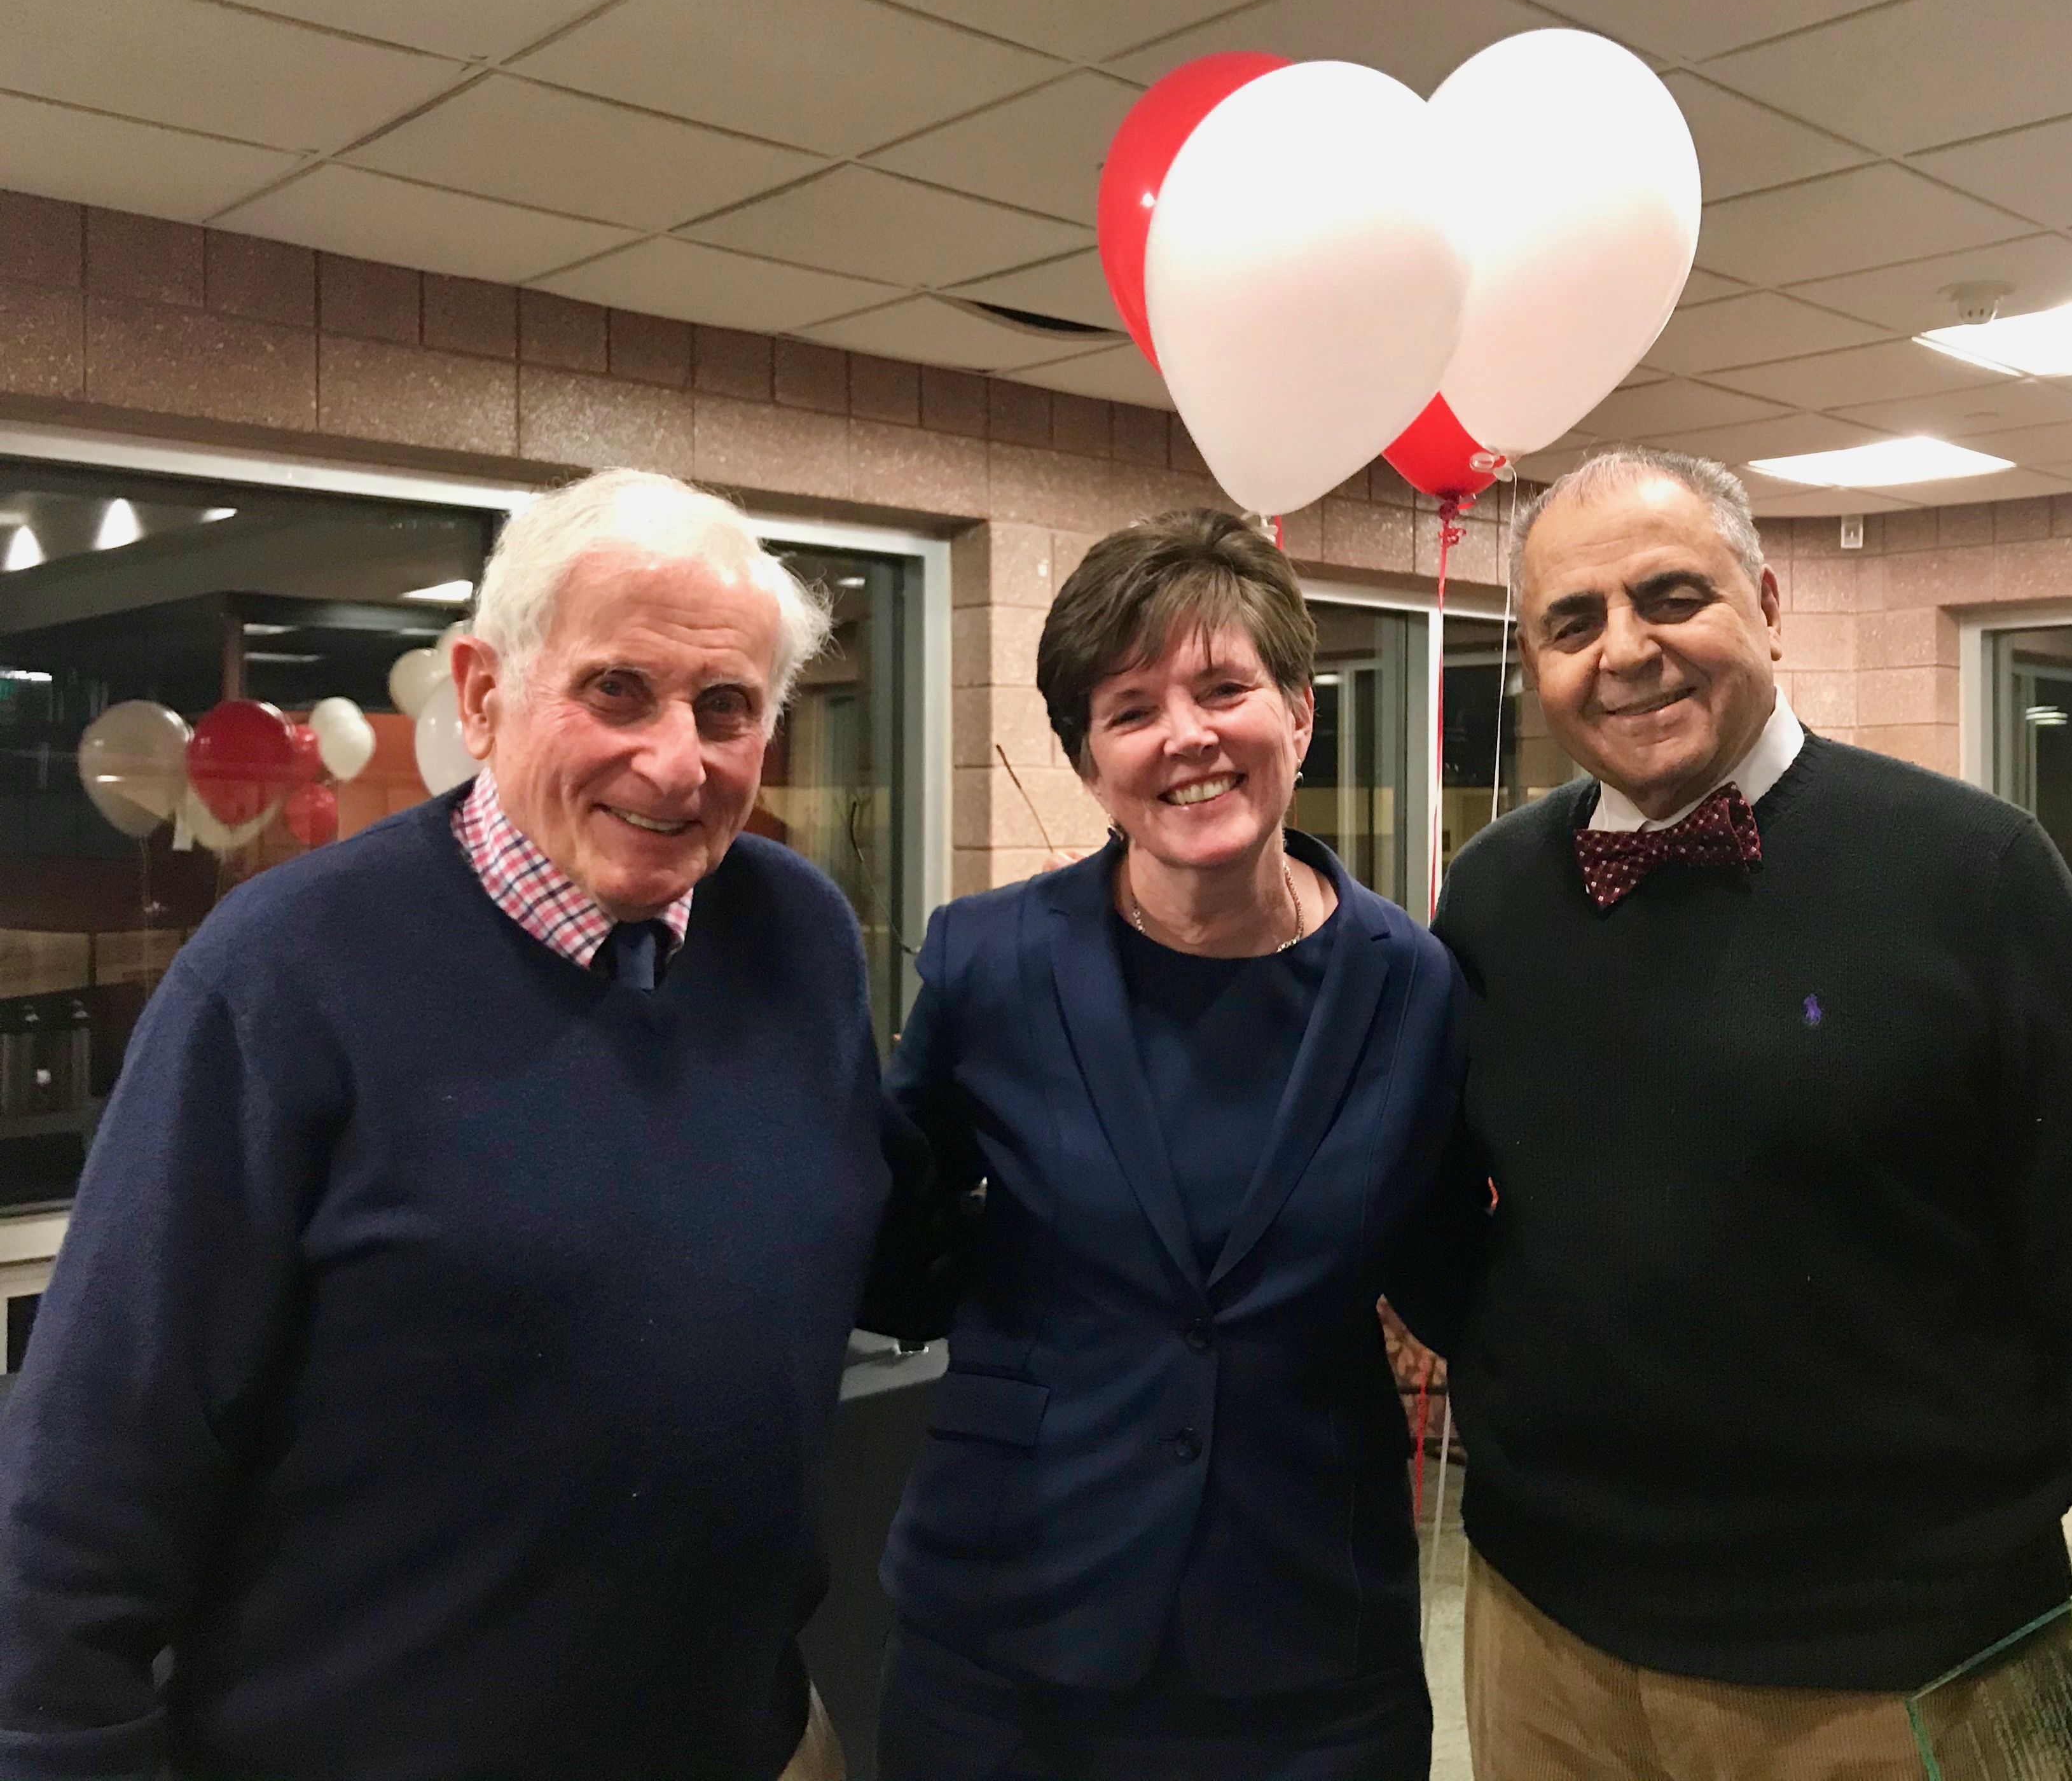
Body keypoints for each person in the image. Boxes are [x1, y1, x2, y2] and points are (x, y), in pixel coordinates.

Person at [0, 468, 946, 1781]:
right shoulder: (286, 972)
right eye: (617, 688)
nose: (676, 759)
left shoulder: (796, 937)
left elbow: (867, 1234)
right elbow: (89, 1470)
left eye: (725, 707)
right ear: (486, 692)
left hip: (752, 1739)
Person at [1432, 447, 2072, 1781]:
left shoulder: (1975, 873)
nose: (1626, 652)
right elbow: (1458, 1218)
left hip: (1899, 1673)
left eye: (1670, 595)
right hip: (1543, 1647)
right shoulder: (1493, 895)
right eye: (1573, 623)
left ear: (1768, 598)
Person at [874, 508, 1465, 1781]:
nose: (1185, 735)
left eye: (1223, 688)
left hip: (1307, 1642)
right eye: (1129, 708)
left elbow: (1446, 1261)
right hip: (1014, 1625)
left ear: (1299, 714)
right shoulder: (992, 960)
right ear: (1092, 764)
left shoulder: (1411, 985)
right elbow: (902, 1244)